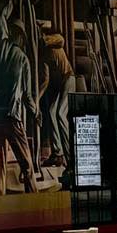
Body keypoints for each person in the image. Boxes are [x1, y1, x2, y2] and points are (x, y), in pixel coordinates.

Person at [0, 18, 39, 194]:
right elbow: (27, 96)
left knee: (0, 164)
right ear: (21, 37)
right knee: (27, 165)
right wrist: (35, 113)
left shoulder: (2, 52)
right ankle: (33, 199)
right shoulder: (23, 59)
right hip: (13, 117)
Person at [39, 25, 75, 171]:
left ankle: (70, 160)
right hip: (59, 83)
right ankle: (57, 153)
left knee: (60, 113)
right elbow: (45, 81)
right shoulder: (44, 55)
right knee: (51, 111)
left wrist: (42, 38)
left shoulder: (55, 40)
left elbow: (61, 39)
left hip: (68, 78)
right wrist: (37, 99)